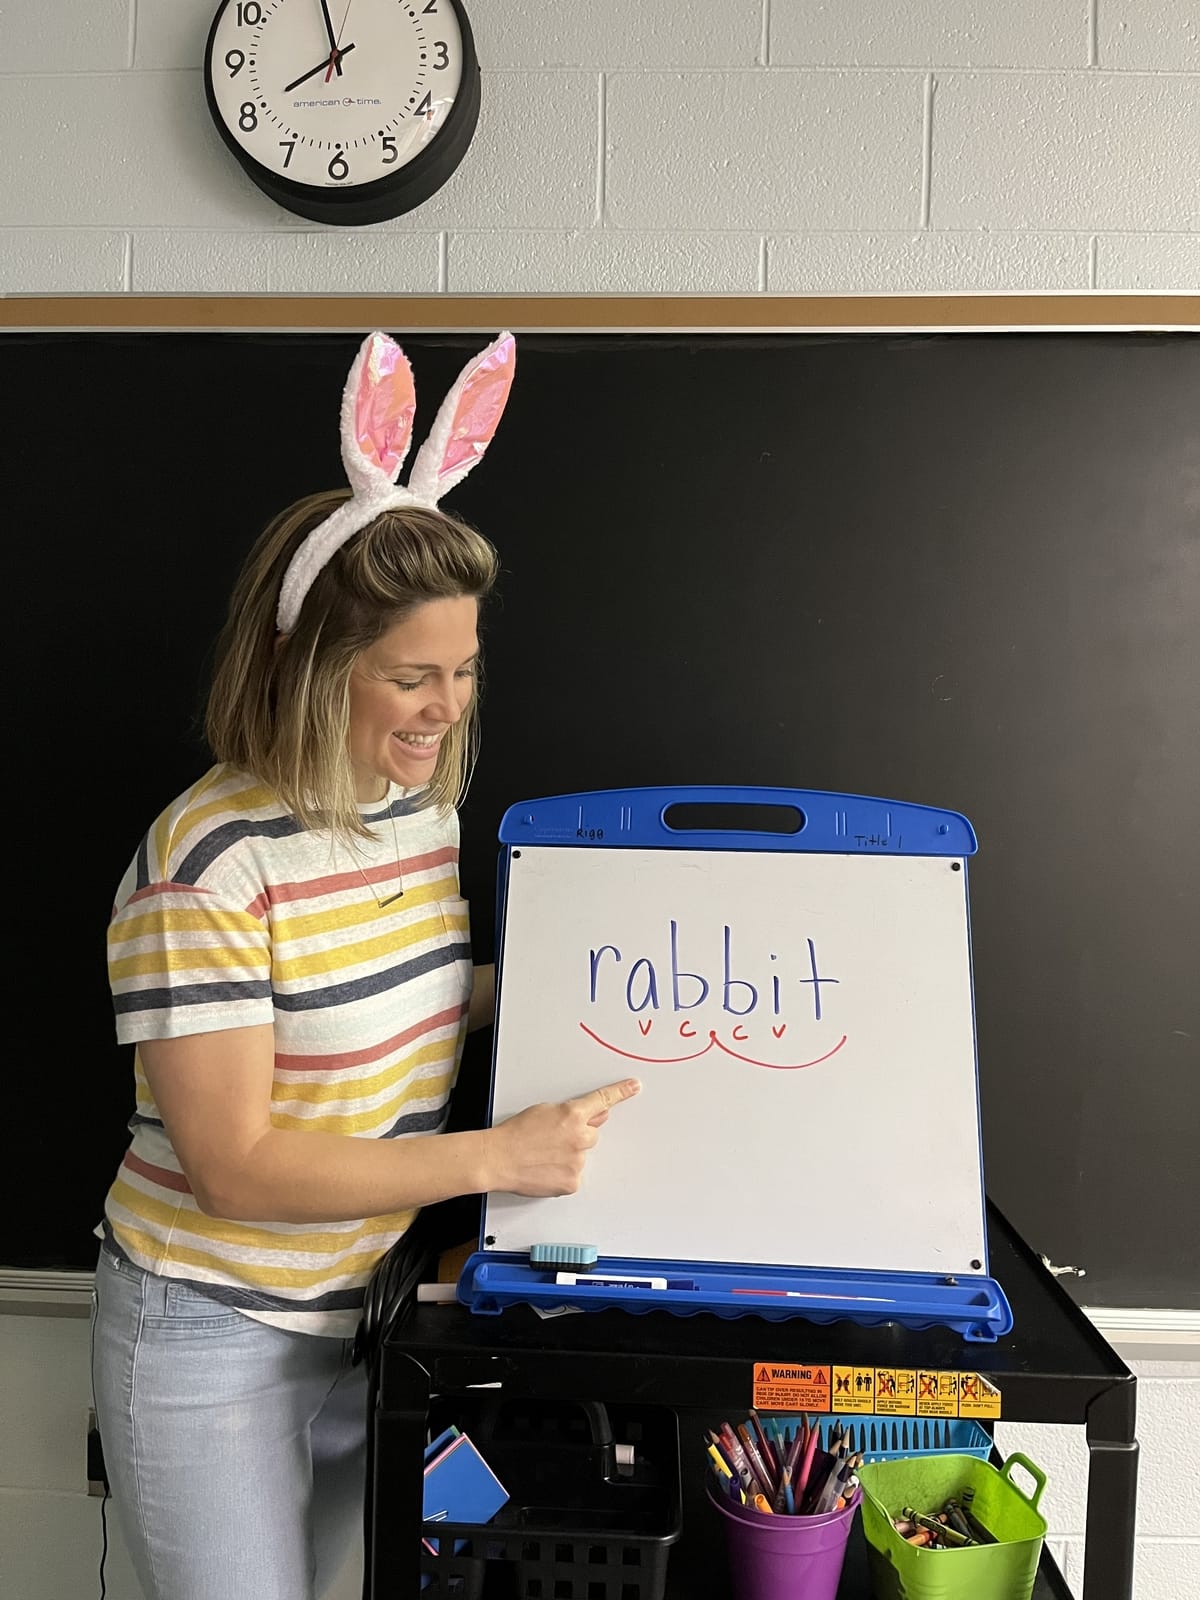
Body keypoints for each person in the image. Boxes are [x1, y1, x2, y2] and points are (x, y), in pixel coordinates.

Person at [91, 331, 641, 1600]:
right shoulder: (207, 864)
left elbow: (416, 1002)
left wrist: (590, 993)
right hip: (210, 1331)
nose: (444, 706)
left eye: (462, 670)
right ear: (308, 663)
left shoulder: (415, 815)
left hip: (364, 1312)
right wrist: (497, 1159)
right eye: (409, 675)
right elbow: (235, 1167)